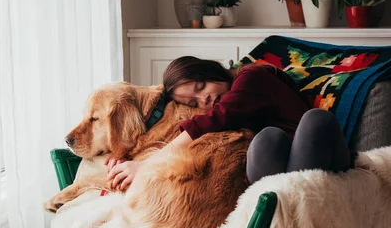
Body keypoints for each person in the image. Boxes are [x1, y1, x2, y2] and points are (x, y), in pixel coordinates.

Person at [106, 56, 352, 190]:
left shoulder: (252, 76)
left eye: (201, 87)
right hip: (283, 163)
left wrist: (146, 167)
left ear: (211, 71)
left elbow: (215, 117)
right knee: (266, 139)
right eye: (194, 103)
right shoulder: (235, 122)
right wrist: (130, 159)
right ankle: (277, 213)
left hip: (323, 152)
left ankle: (295, 202)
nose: (205, 99)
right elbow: (178, 137)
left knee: (315, 120)